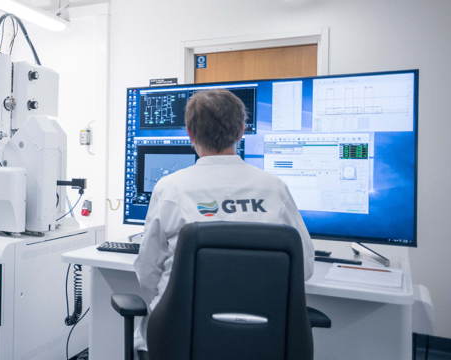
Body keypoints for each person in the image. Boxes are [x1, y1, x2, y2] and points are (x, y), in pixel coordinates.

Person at [132, 89, 315, 359]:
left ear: (190, 134)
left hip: (179, 340)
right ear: (241, 131)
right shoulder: (274, 188)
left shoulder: (170, 188)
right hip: (263, 341)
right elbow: (305, 267)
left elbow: (148, 273)